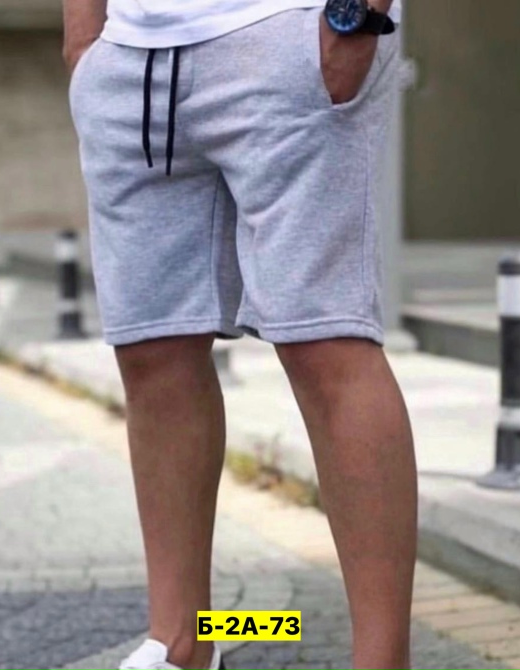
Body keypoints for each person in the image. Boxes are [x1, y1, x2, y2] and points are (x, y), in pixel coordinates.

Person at [63, 0, 417, 668]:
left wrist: (355, 19)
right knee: (152, 350)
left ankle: (381, 662)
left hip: (288, 34)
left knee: (324, 342)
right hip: (129, 59)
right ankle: (184, 642)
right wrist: (84, 41)